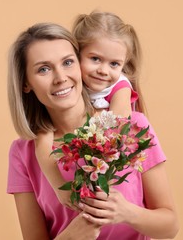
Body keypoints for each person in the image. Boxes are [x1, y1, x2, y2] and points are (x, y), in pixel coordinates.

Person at [7, 22, 179, 239]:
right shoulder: (22, 152)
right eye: (43, 69)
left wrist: (127, 212)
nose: (60, 77)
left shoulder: (131, 127)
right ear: (26, 83)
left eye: (68, 62)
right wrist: (71, 236)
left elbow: (170, 226)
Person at [36, 11, 147, 210]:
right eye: (95, 59)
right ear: (76, 56)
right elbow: (42, 145)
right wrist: (60, 189)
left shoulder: (120, 85)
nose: (103, 70)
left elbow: (118, 124)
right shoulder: (67, 84)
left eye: (114, 64)